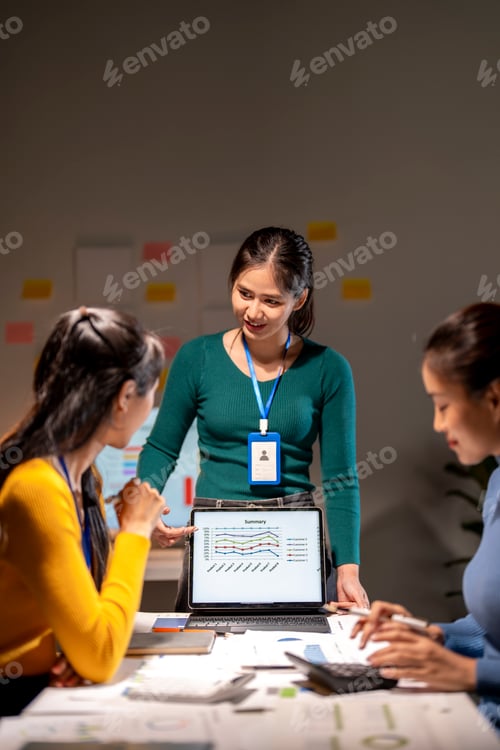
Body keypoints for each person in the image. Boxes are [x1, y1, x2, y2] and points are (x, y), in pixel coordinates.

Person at [138, 226, 369, 609]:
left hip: (294, 537)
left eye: (272, 301)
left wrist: (348, 568)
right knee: (206, 656)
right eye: (244, 293)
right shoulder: (198, 359)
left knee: (297, 654)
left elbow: (341, 478)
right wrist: (147, 501)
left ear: (300, 299)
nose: (253, 311)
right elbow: (161, 447)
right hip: (215, 531)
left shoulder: (329, 369)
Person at [0, 306, 195, 716]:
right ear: (125, 397)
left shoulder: (82, 479)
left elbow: (79, 618)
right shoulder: (37, 487)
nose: (151, 403)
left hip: (40, 689)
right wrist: (135, 531)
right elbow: (102, 654)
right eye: (150, 390)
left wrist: (65, 645)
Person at [353, 302, 500, 734]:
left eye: (443, 405)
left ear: (494, 396)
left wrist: (467, 674)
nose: (437, 424)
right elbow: (493, 629)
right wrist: (432, 635)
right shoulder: (496, 485)